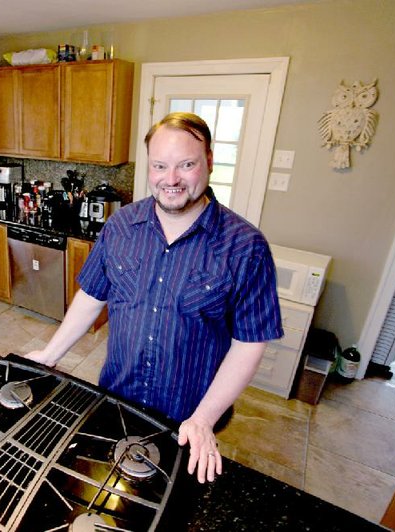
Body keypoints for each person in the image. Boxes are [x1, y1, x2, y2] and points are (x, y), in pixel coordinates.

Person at [25, 112, 283, 483]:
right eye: (160, 166)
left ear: (209, 161)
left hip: (187, 418)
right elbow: (92, 296)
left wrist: (204, 419)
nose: (171, 179)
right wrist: (50, 354)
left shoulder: (246, 246)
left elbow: (250, 342)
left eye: (187, 165)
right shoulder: (120, 227)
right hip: (115, 398)